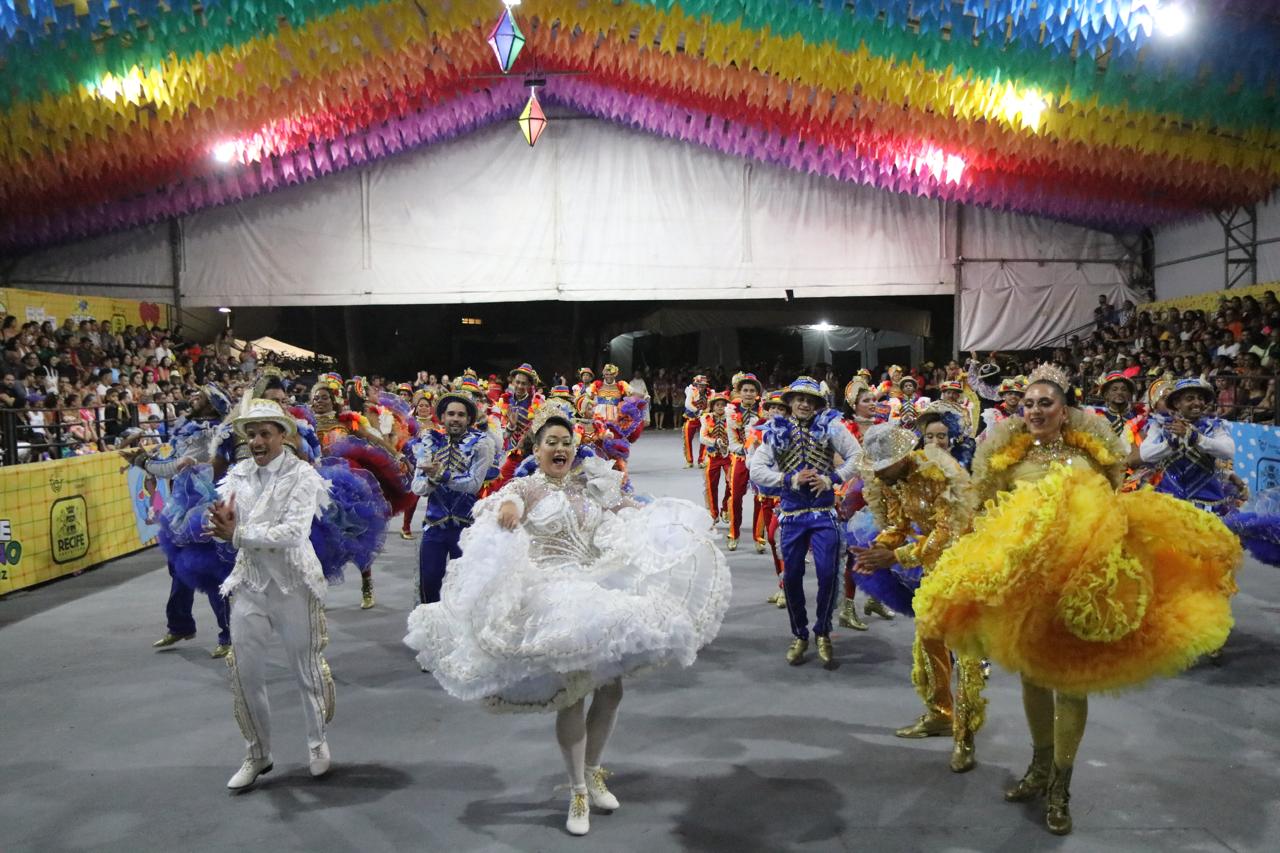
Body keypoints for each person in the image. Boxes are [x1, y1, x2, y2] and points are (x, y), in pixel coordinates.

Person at [913, 364, 1240, 835]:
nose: (1035, 410)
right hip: (1029, 593)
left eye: (1045, 402)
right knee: (1031, 678)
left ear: (1065, 410)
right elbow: (985, 515)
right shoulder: (1006, 457)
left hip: (1080, 590)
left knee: (1071, 682)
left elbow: (1110, 505)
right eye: (1027, 403)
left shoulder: (1091, 454)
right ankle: (1039, 768)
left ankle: (1061, 787)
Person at [404, 411, 730, 836]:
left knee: (611, 691)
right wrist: (507, 508)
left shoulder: (589, 484)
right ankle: (576, 789)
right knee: (573, 693)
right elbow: (509, 503)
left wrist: (656, 518)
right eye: (551, 442)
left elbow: (626, 507)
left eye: (566, 443)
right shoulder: (525, 487)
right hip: (554, 594)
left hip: (597, 586)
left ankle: (593, 771)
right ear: (536, 449)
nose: (560, 449)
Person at [210, 398, 337, 792]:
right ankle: (257, 752)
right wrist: (218, 524)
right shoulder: (238, 474)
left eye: (265, 433)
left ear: (283, 435)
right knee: (245, 674)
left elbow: (294, 533)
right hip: (249, 584)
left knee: (306, 668)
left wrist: (239, 534)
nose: (257, 441)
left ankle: (317, 743)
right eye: (251, 434)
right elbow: (224, 520)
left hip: (293, 584)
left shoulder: (302, 475)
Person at [850, 424, 984, 773]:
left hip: (965, 563)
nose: (879, 473)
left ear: (903, 458)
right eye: (875, 466)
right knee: (929, 639)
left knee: (965, 653)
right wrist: (878, 548)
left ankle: (965, 735)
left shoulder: (937, 472)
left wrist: (897, 558)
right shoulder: (893, 482)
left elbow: (950, 531)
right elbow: (898, 524)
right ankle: (941, 713)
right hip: (932, 567)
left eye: (885, 465)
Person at [749, 377, 862, 667]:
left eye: (810, 400)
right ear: (790, 403)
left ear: (817, 405)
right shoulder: (777, 431)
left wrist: (831, 478)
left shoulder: (831, 428)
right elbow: (757, 469)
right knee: (792, 577)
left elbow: (857, 456)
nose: (804, 404)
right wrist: (788, 479)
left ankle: (822, 631)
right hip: (792, 515)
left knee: (827, 574)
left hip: (824, 514)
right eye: (799, 399)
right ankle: (799, 634)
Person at [124, 384, 234, 658]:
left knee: (210, 572)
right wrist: (143, 461)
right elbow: (171, 465)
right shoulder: (188, 427)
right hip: (183, 509)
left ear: (212, 405)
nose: (195, 398)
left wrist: (141, 461)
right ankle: (180, 624)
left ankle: (230, 635)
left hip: (206, 508)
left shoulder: (212, 432)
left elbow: (175, 466)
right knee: (178, 568)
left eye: (202, 397)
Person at [410, 390, 494, 610]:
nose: (455, 419)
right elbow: (417, 487)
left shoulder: (482, 443)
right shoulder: (430, 441)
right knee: (429, 584)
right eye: (451, 414)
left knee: (465, 588)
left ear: (469, 419)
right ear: (443, 417)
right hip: (434, 527)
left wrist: (441, 475)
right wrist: (432, 480)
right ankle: (430, 633)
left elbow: (474, 484)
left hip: (465, 529)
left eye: (461, 415)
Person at [1140, 377, 1237, 514]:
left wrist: (1195, 437)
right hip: (1168, 500)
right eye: (1190, 398)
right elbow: (1146, 454)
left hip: (1206, 503)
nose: (1197, 403)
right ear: (1177, 403)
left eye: (1200, 398)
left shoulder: (1214, 427)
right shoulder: (1160, 426)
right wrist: (1170, 444)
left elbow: (1228, 451)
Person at [725, 373, 764, 552]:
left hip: (761, 460)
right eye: (745, 390)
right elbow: (732, 439)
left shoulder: (764, 411)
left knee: (761, 498)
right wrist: (744, 449)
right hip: (740, 458)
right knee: (735, 497)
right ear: (739, 392)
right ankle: (734, 534)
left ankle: (759, 537)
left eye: (752, 390)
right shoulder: (732, 412)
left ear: (757, 393)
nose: (748, 393)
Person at [699, 391, 733, 526]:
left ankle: (725, 508)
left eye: (723, 405)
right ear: (712, 406)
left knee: (732, 483)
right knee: (710, 485)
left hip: (728, 456)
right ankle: (713, 513)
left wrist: (729, 446)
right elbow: (702, 437)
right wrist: (715, 442)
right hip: (712, 457)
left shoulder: (732, 419)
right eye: (717, 405)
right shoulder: (706, 418)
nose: (720, 407)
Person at [682, 374, 711, 468]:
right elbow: (688, 404)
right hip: (691, 418)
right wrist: (698, 411)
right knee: (687, 439)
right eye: (700, 385)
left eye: (703, 385)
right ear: (696, 384)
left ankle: (701, 460)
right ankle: (689, 461)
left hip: (703, 419)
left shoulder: (709, 393)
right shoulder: (691, 391)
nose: (702, 387)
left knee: (704, 438)